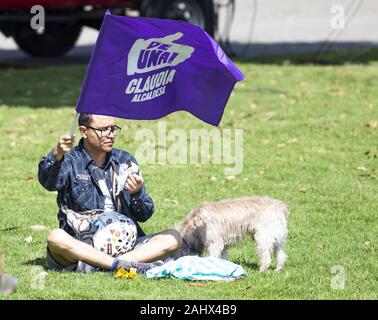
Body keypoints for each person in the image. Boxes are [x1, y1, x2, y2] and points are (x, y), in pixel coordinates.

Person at [38, 113, 182, 273]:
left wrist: (137, 193)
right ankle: (121, 265)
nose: (111, 135)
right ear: (84, 131)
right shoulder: (69, 160)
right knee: (55, 237)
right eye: (104, 129)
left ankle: (113, 264)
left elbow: (145, 214)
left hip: (126, 243)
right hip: (84, 245)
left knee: (173, 237)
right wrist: (57, 155)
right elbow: (49, 182)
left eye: (113, 129)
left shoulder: (124, 159)